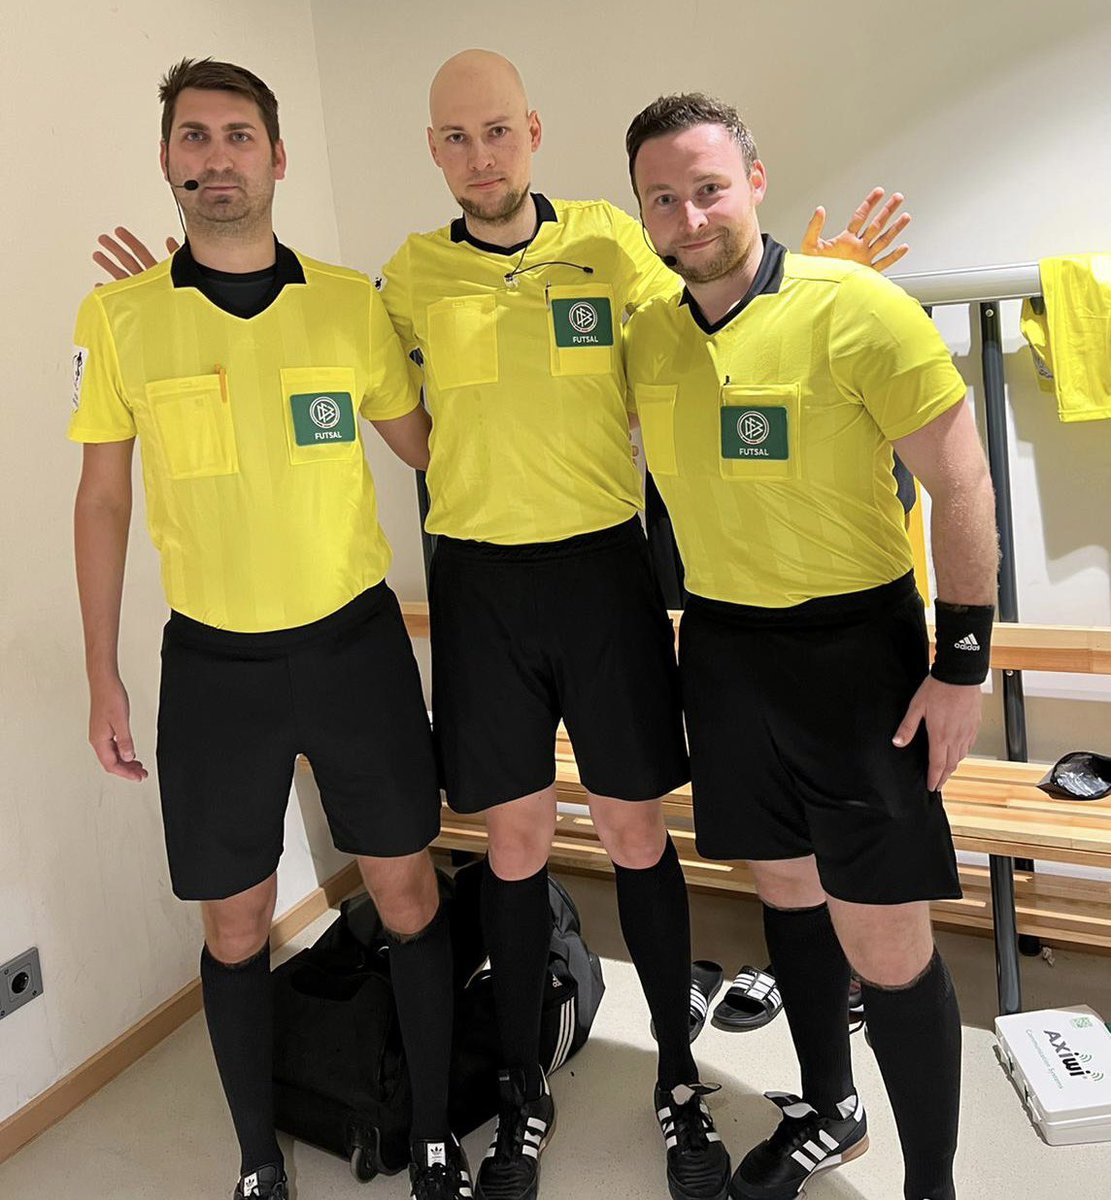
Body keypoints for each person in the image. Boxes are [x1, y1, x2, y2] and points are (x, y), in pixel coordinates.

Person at [92, 51, 908, 1200]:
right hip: (480, 586)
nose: (479, 155)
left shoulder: (611, 242)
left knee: (633, 834)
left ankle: (677, 1079)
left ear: (531, 131)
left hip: (604, 577)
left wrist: (810, 289)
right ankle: (521, 1090)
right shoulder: (404, 280)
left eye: (496, 131)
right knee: (514, 847)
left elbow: (708, 312)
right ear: (434, 151)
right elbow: (307, 349)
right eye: (455, 137)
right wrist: (166, 290)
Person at [70, 58, 470, 1200]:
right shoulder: (121, 318)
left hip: (355, 649)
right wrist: (102, 676)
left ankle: (434, 1134)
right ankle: (257, 1159)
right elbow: (103, 503)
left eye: (238, 136)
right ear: (166, 159)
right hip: (215, 668)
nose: (217, 158)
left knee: (406, 894)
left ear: (277, 157)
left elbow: (431, 448)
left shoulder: (348, 304)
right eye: (193, 137)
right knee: (237, 924)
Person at [624, 92, 998, 1200]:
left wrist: (960, 666)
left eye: (708, 187)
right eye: (662, 198)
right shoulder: (648, 337)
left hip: (856, 659)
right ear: (640, 213)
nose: (690, 216)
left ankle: (930, 1185)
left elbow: (960, 481)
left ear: (754, 180)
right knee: (786, 891)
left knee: (885, 943)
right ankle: (831, 1111)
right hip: (724, 654)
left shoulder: (858, 307)